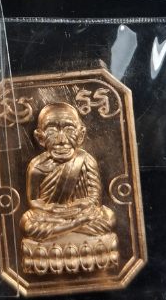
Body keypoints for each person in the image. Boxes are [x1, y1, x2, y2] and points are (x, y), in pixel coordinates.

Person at [20, 102, 115, 242]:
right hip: (50, 216)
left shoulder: (86, 160)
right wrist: (50, 209)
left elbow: (95, 198)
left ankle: (65, 228)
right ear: (40, 138)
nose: (61, 140)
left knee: (108, 217)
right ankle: (73, 226)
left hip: (79, 213)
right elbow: (33, 201)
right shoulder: (37, 166)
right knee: (28, 223)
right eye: (52, 131)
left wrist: (80, 205)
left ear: (80, 135)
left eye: (69, 129)